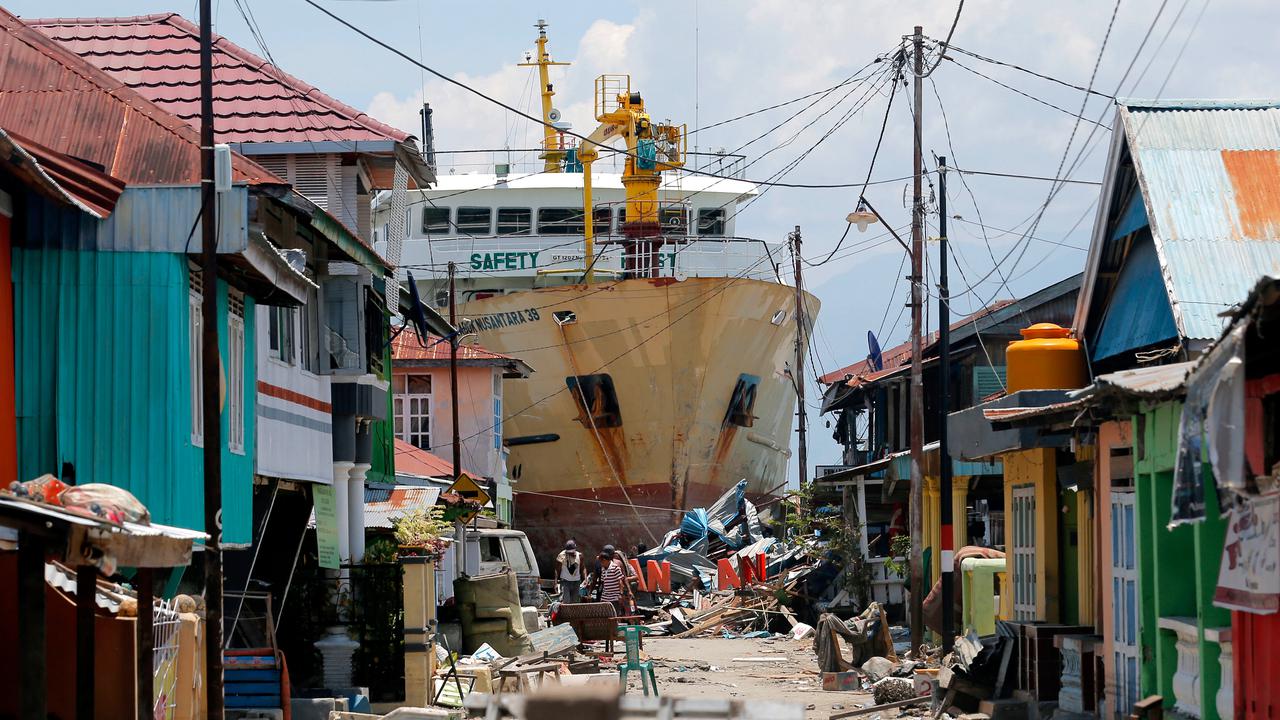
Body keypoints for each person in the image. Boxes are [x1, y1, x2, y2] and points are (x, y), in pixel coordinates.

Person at [589, 544, 631, 615]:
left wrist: (625, 592)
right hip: (605, 593)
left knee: (615, 612)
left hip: (614, 594)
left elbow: (622, 579)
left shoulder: (616, 565)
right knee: (605, 613)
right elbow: (596, 579)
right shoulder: (602, 563)